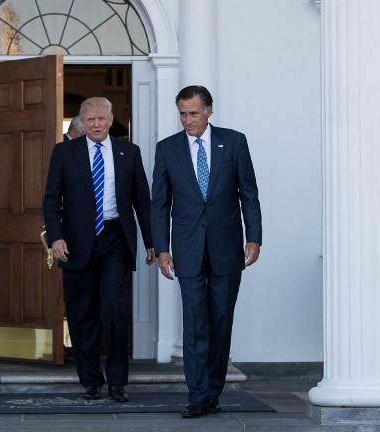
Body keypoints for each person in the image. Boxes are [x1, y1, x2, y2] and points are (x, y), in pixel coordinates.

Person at [151, 85, 262, 418]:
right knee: (195, 323)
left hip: (227, 248)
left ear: (209, 111)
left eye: (194, 113)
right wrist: (162, 249)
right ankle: (197, 395)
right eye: (183, 114)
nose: (188, 120)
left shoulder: (234, 142)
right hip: (186, 249)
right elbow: (160, 203)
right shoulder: (167, 149)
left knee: (220, 322)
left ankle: (213, 389)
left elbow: (249, 195)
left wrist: (253, 237)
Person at [43, 97, 155, 403]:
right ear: (80, 122)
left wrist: (151, 241)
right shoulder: (64, 152)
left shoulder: (128, 152)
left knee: (115, 311)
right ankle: (91, 380)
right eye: (90, 120)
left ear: (110, 120)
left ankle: (117, 382)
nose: (96, 125)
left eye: (101, 119)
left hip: (116, 239)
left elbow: (142, 201)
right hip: (76, 243)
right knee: (82, 315)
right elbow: (52, 200)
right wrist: (56, 237)